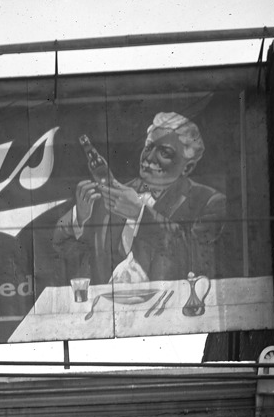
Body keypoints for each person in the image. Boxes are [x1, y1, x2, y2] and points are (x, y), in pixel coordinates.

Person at [51, 112, 227, 286]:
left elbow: (195, 257)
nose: (148, 158)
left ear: (187, 167)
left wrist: (141, 214)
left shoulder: (209, 202)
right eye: (148, 147)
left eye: (164, 153)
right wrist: (79, 218)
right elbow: (60, 245)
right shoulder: (113, 192)